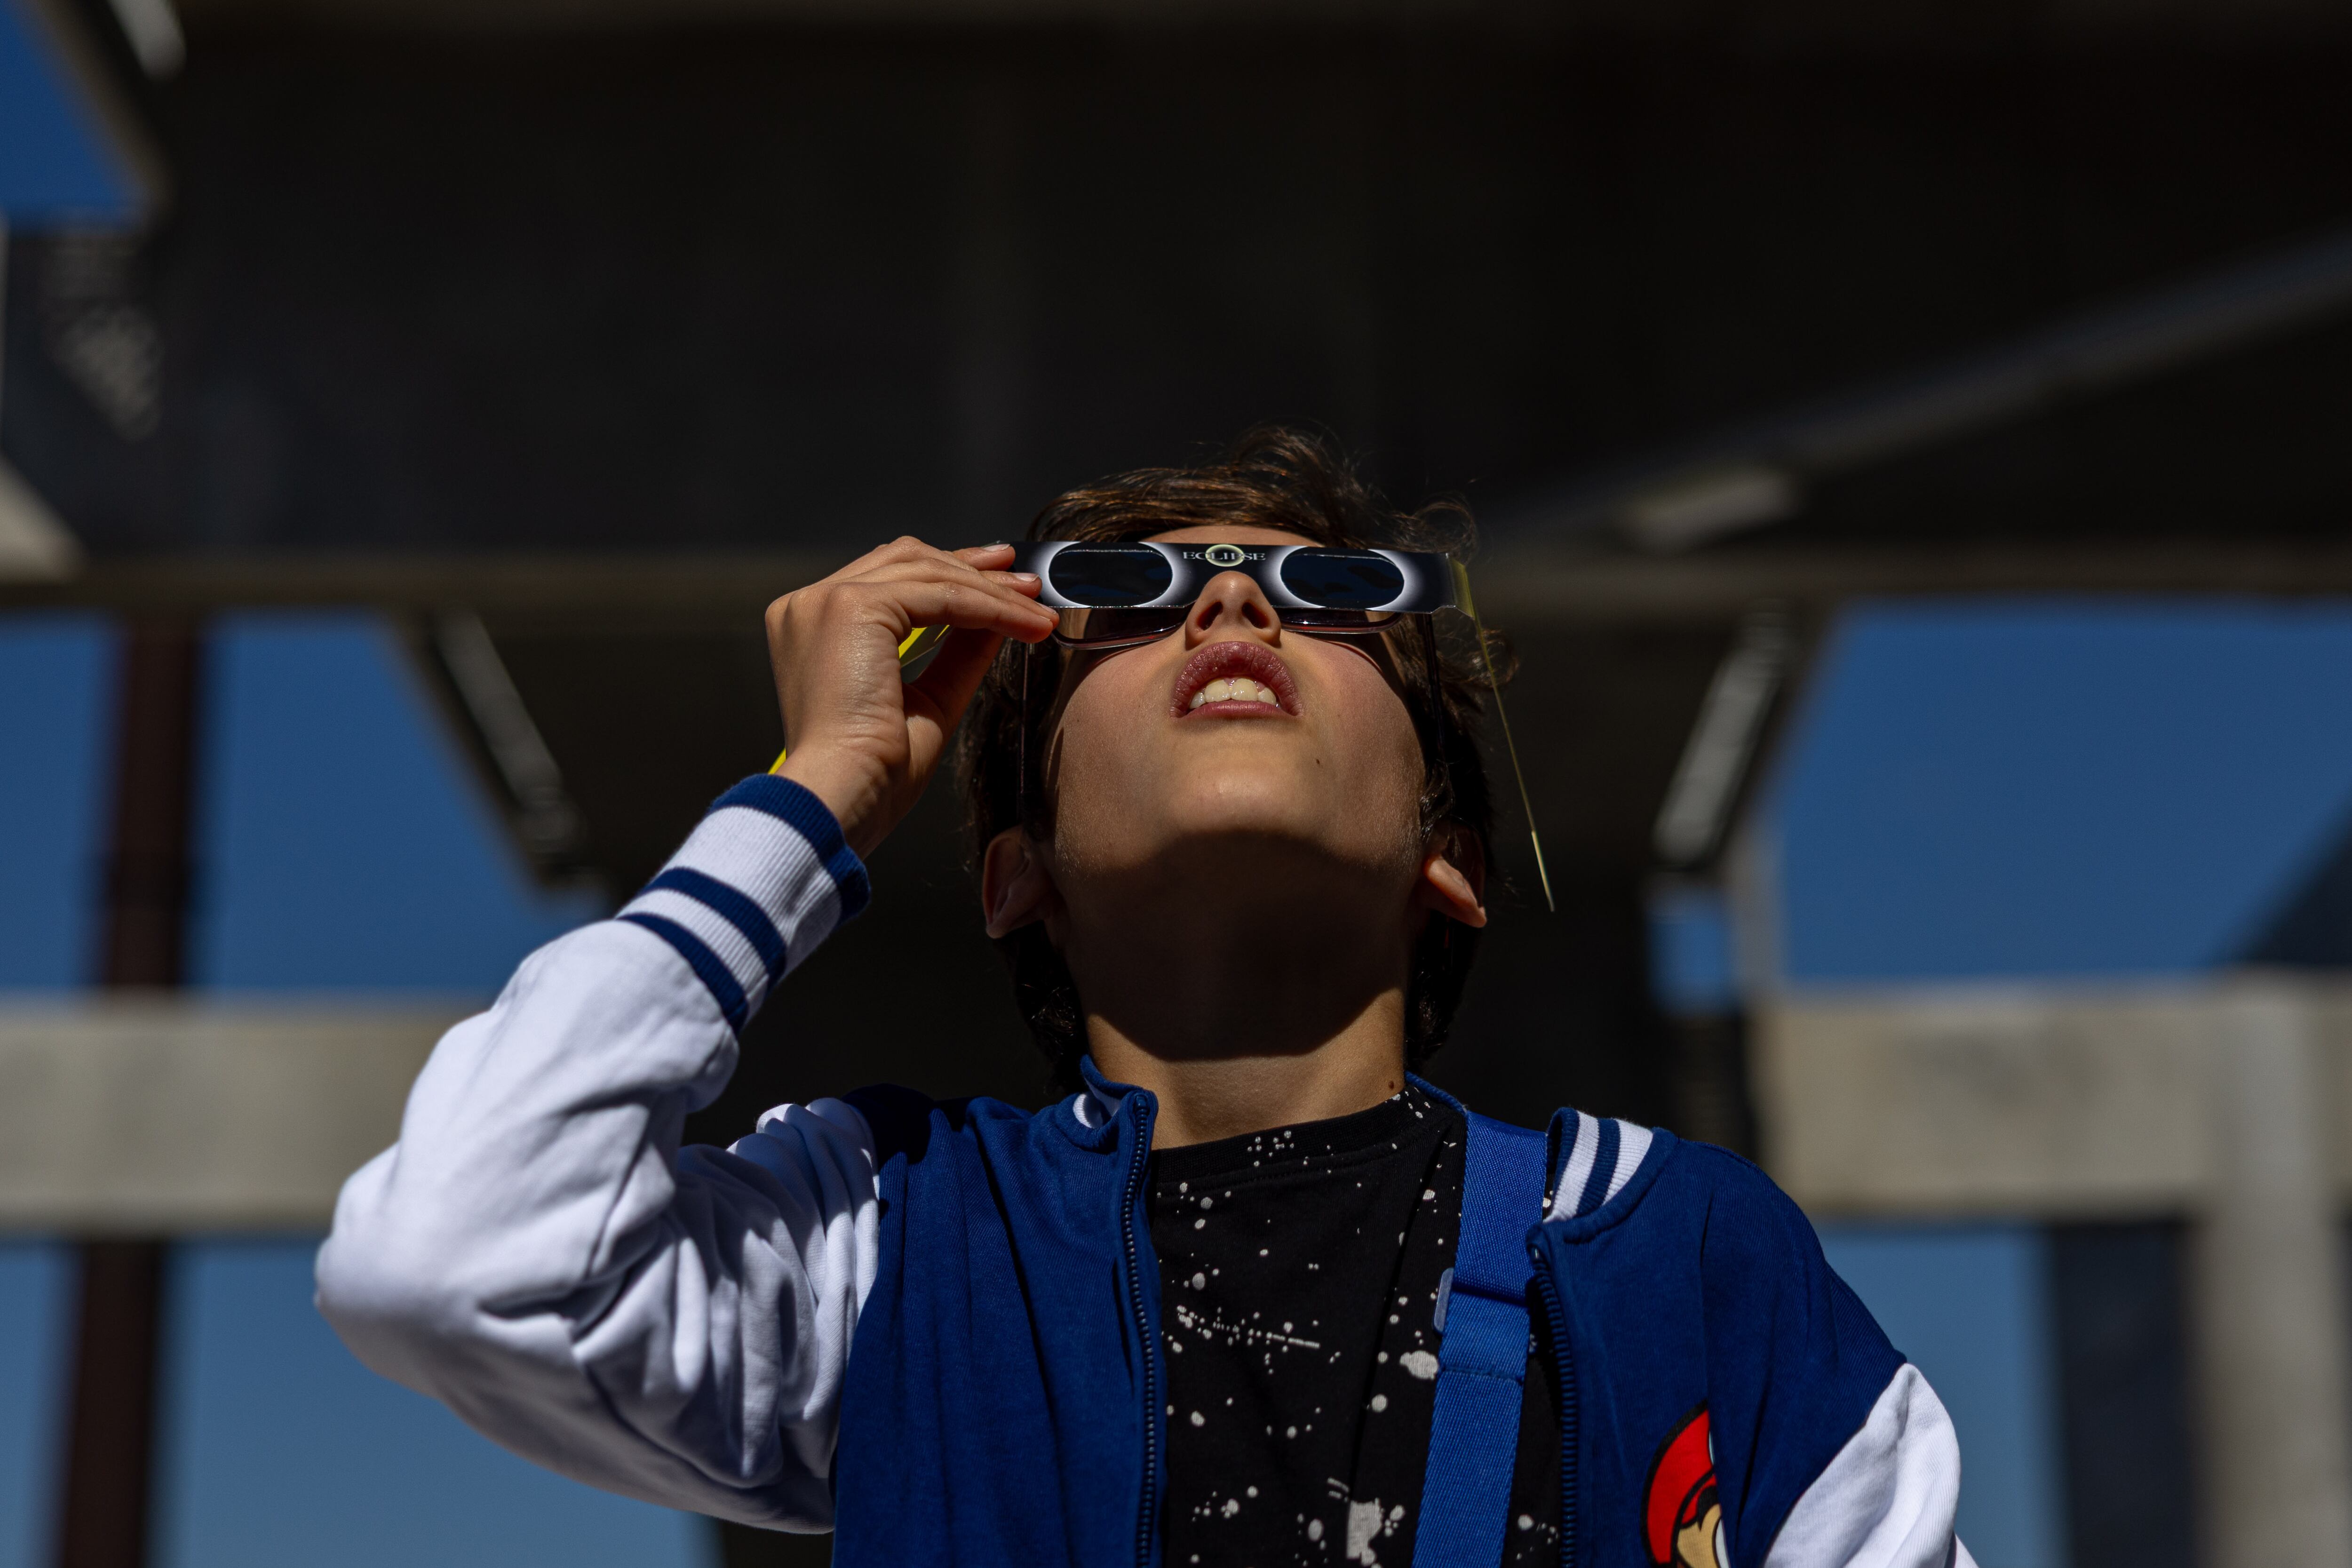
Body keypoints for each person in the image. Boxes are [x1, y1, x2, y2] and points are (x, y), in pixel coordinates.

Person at [316, 429, 1973, 1568]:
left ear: (1447, 855)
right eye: (1134, 610)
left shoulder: (1680, 1256)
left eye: (1332, 603)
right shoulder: (894, 1248)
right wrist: (812, 793)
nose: (1238, 608)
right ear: (1014, 871)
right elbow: (451, 1259)